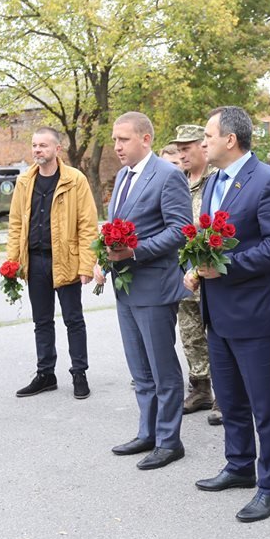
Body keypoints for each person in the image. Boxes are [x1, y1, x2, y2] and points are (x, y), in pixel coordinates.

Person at [184, 106, 270, 523]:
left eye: (208, 136)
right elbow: (208, 240)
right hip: (217, 311)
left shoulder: (267, 180)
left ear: (230, 140)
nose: (203, 143)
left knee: (265, 405)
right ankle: (239, 465)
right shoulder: (214, 180)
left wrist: (226, 267)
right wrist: (195, 267)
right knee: (230, 399)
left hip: (253, 312)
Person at [96, 111, 193, 470]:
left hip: (154, 286)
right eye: (115, 139)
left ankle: (169, 441)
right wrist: (103, 257)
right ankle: (148, 432)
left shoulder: (167, 175)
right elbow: (117, 226)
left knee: (162, 368)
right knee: (139, 368)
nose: (117, 146)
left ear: (146, 139)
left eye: (123, 139)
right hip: (126, 286)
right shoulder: (124, 175)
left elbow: (180, 230)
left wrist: (135, 252)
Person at [6, 127, 98, 400]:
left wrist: (86, 264)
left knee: (73, 320)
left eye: (43, 145)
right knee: (42, 321)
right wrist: (13, 262)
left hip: (66, 259)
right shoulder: (25, 181)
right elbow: (15, 223)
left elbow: (88, 225)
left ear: (57, 149)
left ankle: (79, 373)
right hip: (35, 261)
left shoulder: (75, 180)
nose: (37, 150)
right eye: (35, 145)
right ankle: (46, 374)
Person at [168, 124, 221, 425]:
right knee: (189, 334)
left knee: (217, 334)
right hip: (181, 272)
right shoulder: (178, 182)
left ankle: (225, 395)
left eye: (187, 148)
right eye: (179, 149)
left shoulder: (217, 181)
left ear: (203, 146)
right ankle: (200, 388)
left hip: (208, 271)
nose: (182, 154)